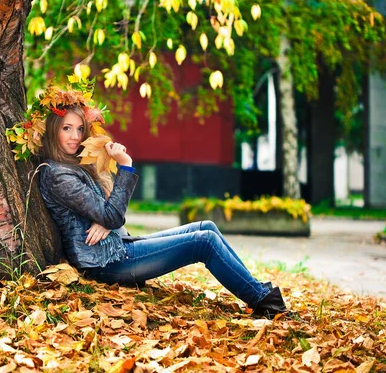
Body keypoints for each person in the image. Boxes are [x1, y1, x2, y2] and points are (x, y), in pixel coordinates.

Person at [37, 97, 291, 319]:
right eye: (66, 128)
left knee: (207, 227)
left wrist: (104, 219)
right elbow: (113, 214)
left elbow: (109, 215)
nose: (75, 136)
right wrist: (125, 166)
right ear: (52, 130)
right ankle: (263, 301)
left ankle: (259, 291)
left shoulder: (71, 165)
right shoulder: (58, 175)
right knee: (203, 243)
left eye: (79, 128)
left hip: (117, 248)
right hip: (108, 264)